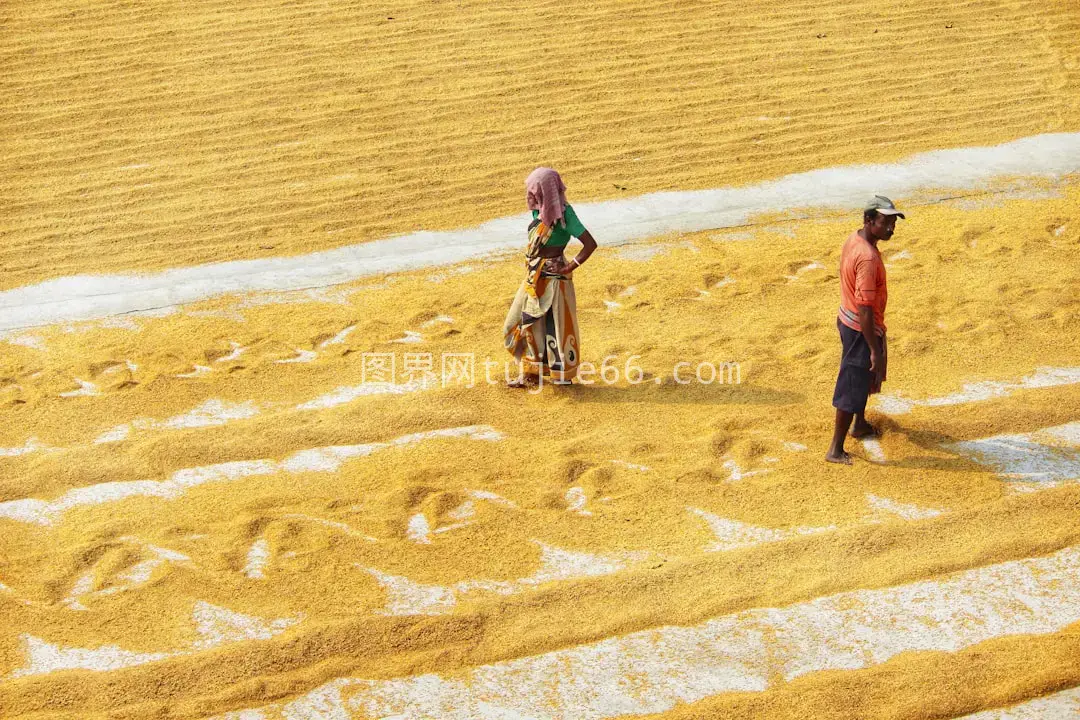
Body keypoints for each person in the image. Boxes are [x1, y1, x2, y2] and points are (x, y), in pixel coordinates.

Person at [826, 195, 905, 464]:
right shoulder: (868, 258)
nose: (891, 228)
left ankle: (859, 423)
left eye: (893, 223)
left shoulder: (855, 238)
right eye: (886, 222)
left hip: (848, 319)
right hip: (861, 328)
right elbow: (865, 308)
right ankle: (835, 449)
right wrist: (873, 348)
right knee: (852, 382)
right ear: (869, 221)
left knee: (863, 379)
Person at [503, 167, 597, 387]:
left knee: (554, 329)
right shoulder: (538, 212)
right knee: (521, 324)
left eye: (533, 192)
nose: (529, 197)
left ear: (545, 192)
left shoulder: (566, 215)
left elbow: (590, 244)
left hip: (555, 281)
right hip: (534, 277)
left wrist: (570, 266)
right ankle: (530, 372)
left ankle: (560, 378)